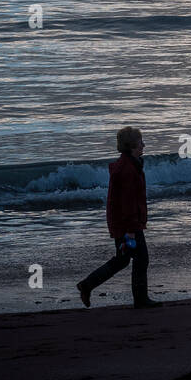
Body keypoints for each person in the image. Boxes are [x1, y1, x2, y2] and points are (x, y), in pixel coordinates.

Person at [76, 126, 161, 309]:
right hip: (127, 224)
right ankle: (140, 299)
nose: (143, 145)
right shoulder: (127, 169)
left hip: (124, 222)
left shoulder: (130, 165)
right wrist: (130, 230)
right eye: (140, 143)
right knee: (141, 258)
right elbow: (128, 202)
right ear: (131, 146)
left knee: (123, 260)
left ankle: (87, 285)